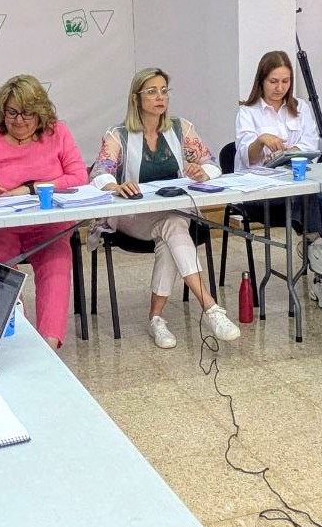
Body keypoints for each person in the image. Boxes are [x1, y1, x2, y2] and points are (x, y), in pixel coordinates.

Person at [91, 67, 242, 348]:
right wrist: (115, 186)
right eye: (152, 92)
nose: (160, 97)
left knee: (171, 229)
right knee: (173, 226)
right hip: (132, 216)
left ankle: (157, 320)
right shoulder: (118, 134)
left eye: (163, 91)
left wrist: (202, 172)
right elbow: (99, 173)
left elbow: (212, 164)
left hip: (174, 214)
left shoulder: (181, 128)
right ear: (136, 98)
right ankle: (211, 308)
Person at [0, 74, 87, 349]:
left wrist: (30, 188)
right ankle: (17, 337)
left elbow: (79, 177)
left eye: (27, 113)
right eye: (12, 113)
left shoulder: (57, 133)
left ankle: (49, 346)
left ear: (40, 112)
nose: (19, 120)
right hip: (0, 225)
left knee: (56, 266)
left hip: (49, 223)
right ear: (2, 112)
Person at [235, 50, 322, 310]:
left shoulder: (301, 108)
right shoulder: (248, 112)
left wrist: (291, 152)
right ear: (261, 80)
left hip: (297, 184)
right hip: (261, 191)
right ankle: (315, 243)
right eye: (274, 81)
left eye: (285, 81)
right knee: (306, 195)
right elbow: (246, 157)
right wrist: (261, 141)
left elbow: (312, 146)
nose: (280, 88)